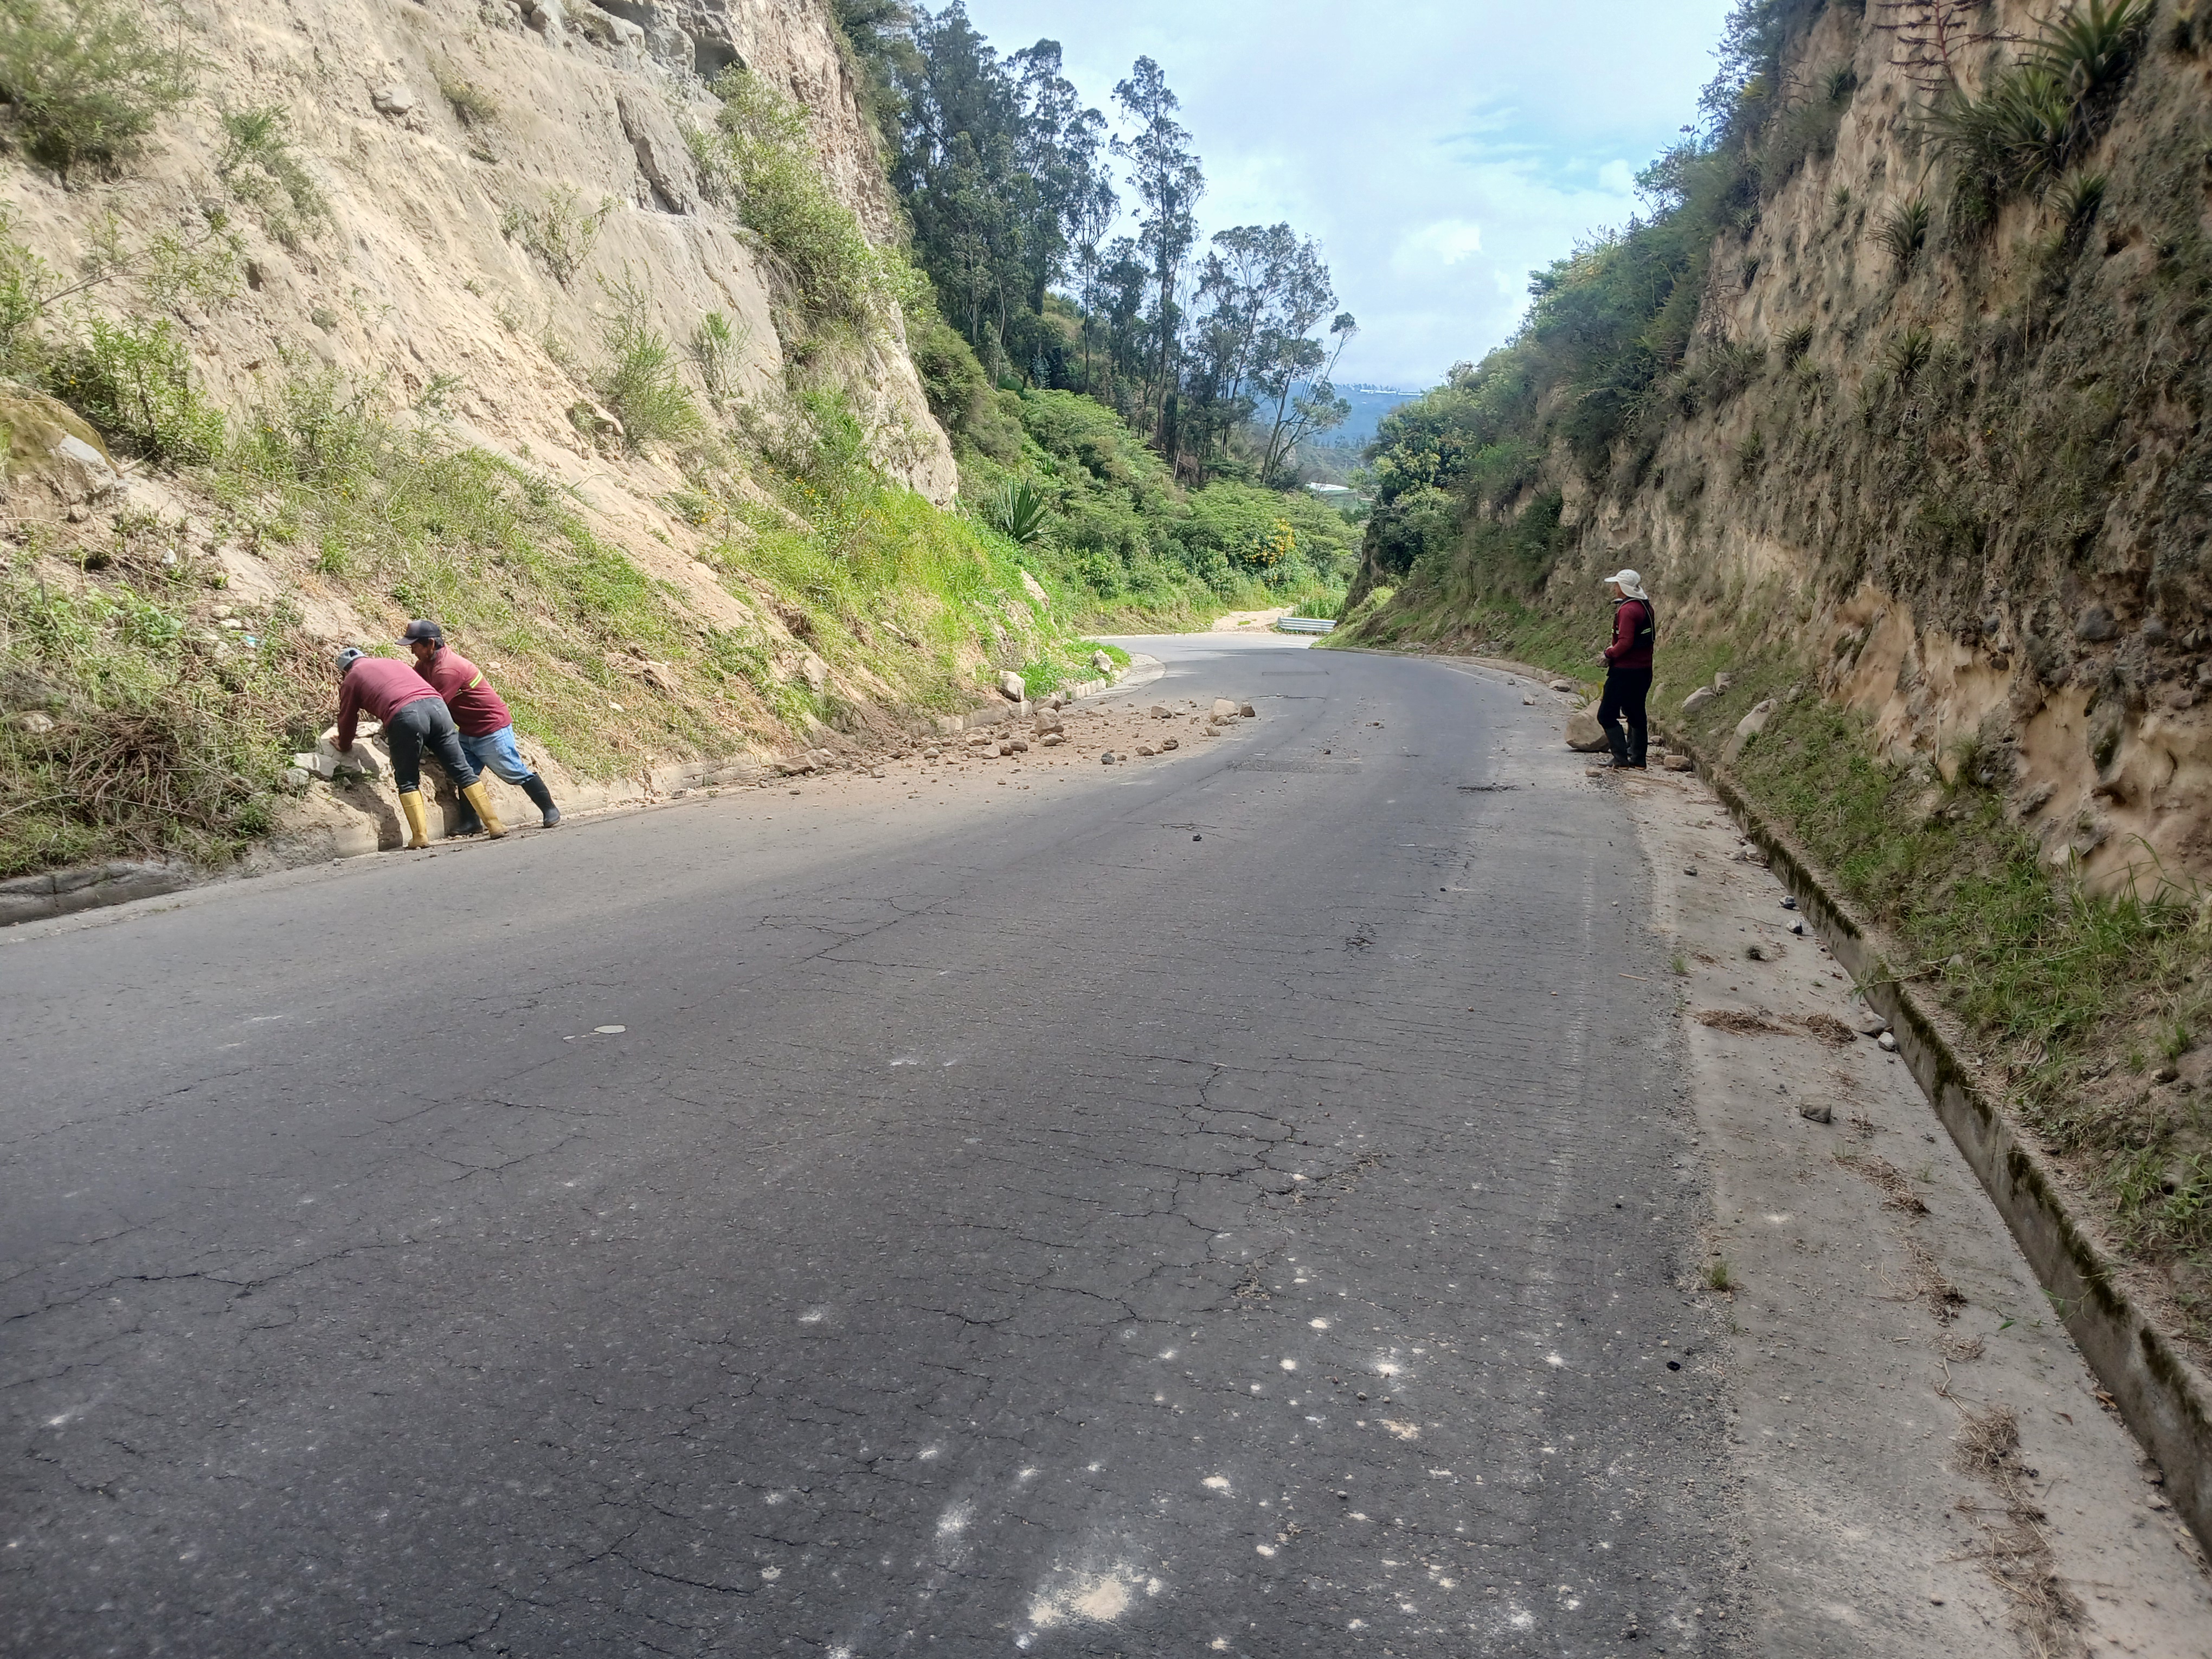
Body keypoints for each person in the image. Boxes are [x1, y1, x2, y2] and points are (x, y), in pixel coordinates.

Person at [333, 646, 506, 848]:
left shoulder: (352, 678)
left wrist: (344, 744)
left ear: (344, 671)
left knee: (407, 779)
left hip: (406, 715)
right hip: (439, 708)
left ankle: (420, 837)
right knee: (462, 770)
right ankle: (494, 824)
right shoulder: (393, 662)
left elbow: (348, 718)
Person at [400, 620, 562, 829]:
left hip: (491, 728)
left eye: (415, 646)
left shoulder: (447, 670)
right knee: (465, 774)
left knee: (513, 771)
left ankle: (550, 809)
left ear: (430, 644)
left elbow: (435, 707)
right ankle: (471, 822)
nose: (412, 651)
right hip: (469, 730)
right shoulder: (426, 664)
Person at [1596, 568, 1655, 770]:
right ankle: (1638, 758)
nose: (1614, 588)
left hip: (1625, 672)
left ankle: (1620, 758)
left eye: (1616, 585)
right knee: (1636, 712)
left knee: (1606, 714)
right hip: (1644, 670)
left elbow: (1625, 642)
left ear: (1623, 587)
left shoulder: (1628, 611)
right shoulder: (1645, 607)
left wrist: (1608, 654)